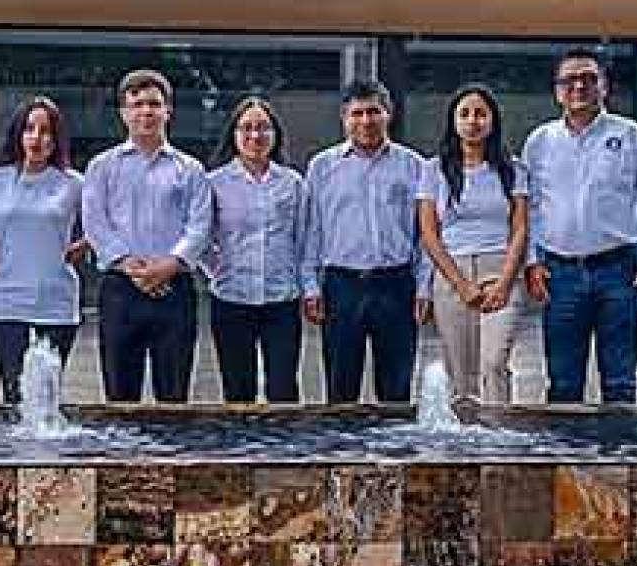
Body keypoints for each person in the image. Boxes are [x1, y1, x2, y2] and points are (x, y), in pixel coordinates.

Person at [522, 48, 637, 405]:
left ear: (604, 86)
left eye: (589, 79)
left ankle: (621, 459)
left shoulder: (630, 136)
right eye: (569, 80)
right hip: (559, 274)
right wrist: (531, 263)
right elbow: (526, 209)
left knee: (620, 381)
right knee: (562, 383)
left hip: (619, 271)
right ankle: (565, 460)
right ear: (557, 90)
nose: (579, 86)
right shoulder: (540, 141)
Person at [82, 68, 212, 403]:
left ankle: (169, 456)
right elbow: (95, 223)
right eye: (137, 104)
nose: (146, 112)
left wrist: (168, 265)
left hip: (175, 291)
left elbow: (199, 227)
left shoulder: (191, 170)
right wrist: (131, 267)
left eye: (154, 104)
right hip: (121, 292)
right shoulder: (102, 167)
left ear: (168, 110)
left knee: (174, 396)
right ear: (123, 113)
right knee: (120, 396)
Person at [300, 79, 432, 404]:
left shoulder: (415, 166)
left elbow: (425, 236)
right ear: (343, 119)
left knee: (396, 390)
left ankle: (396, 454)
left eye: (374, 111)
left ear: (389, 114)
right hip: (342, 285)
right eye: (356, 113)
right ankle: (344, 452)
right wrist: (310, 287)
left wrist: (424, 287)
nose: (366, 121)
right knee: (341, 389)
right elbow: (312, 231)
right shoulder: (321, 167)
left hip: (396, 285)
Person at [0, 96, 86, 405]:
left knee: (48, 395)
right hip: (7, 301)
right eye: (29, 129)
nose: (37, 138)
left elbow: (108, 223)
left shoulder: (73, 184)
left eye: (46, 131)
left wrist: (83, 245)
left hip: (57, 302)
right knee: (14, 393)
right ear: (17, 135)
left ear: (56, 138)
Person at [418, 84, 530, 405]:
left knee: (494, 363)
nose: (473, 121)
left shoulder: (513, 169)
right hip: (453, 274)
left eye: (481, 113)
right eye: (464, 114)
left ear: (493, 120)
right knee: (461, 375)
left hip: (501, 270)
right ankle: (465, 448)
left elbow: (520, 228)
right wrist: (462, 285)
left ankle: (499, 441)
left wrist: (505, 283)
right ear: (453, 122)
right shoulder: (434, 169)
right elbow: (429, 234)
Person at [204, 96, 305, 403]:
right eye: (246, 128)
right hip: (231, 297)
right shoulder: (214, 183)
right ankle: (240, 450)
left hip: (281, 299)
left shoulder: (293, 183)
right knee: (237, 389)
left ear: (275, 135)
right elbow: (201, 238)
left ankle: (284, 449)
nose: (255, 136)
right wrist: (216, 270)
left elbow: (304, 239)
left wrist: (306, 285)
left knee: (283, 387)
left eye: (263, 128)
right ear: (233, 135)